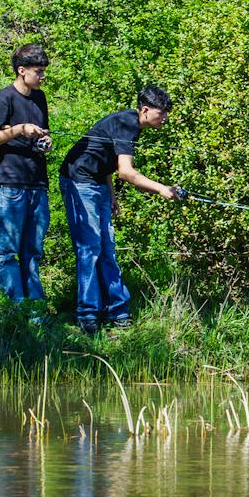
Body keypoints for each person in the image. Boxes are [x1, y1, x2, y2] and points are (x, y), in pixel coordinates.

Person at [59, 85, 182, 334]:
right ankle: (88, 315)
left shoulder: (132, 126)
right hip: (78, 182)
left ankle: (118, 312)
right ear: (145, 110)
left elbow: (108, 163)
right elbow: (126, 172)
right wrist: (161, 188)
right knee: (89, 248)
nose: (165, 118)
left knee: (107, 248)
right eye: (162, 113)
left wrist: (111, 195)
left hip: (98, 184)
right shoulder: (128, 123)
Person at [0, 44, 52, 311]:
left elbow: (44, 133)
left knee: (32, 252)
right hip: (11, 186)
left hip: (38, 184)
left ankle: (35, 310)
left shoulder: (40, 98)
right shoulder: (4, 99)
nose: (42, 76)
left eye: (43, 71)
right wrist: (19, 130)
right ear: (22, 71)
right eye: (38, 71)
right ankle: (16, 309)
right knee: (8, 252)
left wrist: (45, 140)